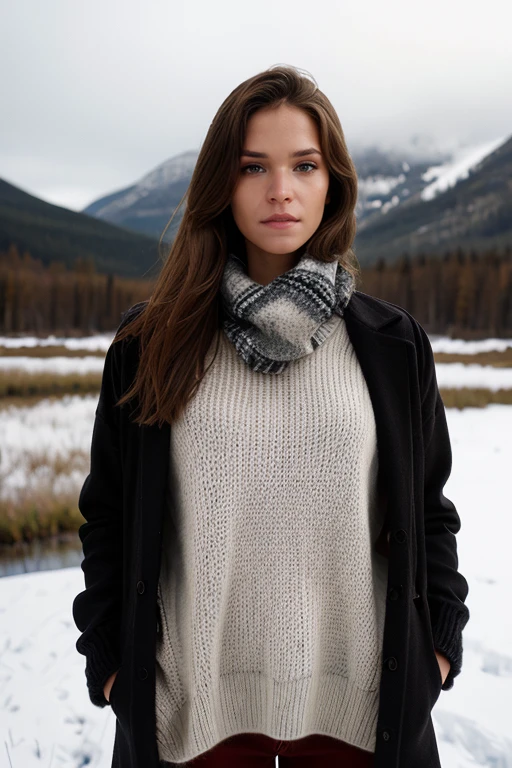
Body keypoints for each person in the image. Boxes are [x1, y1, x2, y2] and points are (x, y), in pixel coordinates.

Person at [72, 64, 470, 768]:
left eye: (304, 165)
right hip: (190, 717)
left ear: (333, 184)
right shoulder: (150, 346)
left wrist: (437, 644)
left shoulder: (392, 346)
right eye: (253, 166)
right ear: (222, 182)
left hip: (364, 715)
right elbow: (108, 515)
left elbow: (429, 512)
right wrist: (108, 659)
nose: (280, 190)